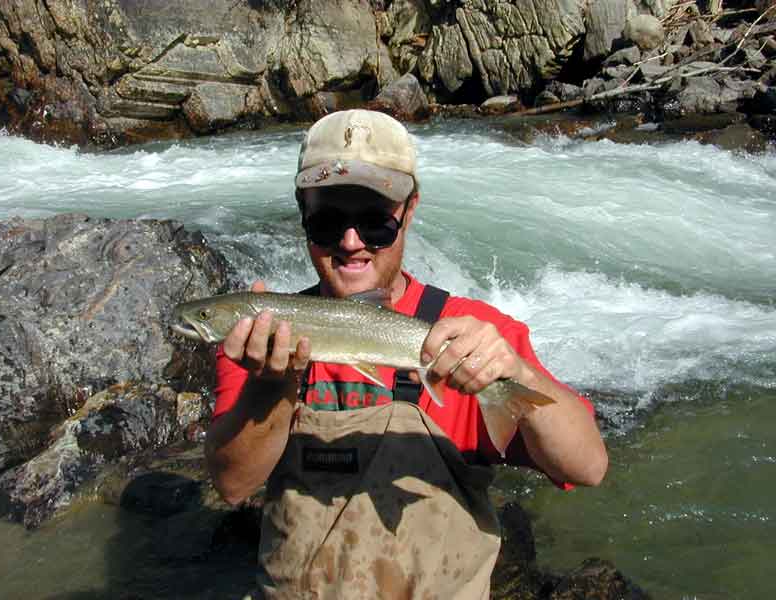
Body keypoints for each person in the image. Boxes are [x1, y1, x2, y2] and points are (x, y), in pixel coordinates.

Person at [206, 109, 607, 599]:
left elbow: (587, 467)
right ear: (301, 214)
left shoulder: (476, 334)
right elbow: (233, 485)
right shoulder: (257, 340)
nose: (352, 244)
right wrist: (272, 385)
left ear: (409, 210)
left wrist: (516, 372)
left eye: (375, 223)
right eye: (327, 221)